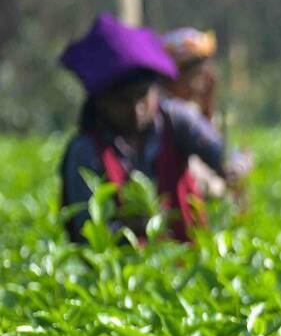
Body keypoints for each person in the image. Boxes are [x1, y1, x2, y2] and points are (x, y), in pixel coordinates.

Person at [58, 13, 231, 243]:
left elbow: (223, 155)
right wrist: (134, 228)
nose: (136, 110)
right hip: (122, 273)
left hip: (188, 263)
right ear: (101, 103)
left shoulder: (176, 120)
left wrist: (231, 167)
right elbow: (87, 233)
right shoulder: (85, 151)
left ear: (155, 92)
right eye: (123, 101)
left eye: (142, 97)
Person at [161, 27, 253, 199]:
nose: (200, 85)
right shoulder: (168, 117)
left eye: (203, 77)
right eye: (193, 77)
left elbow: (222, 151)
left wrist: (209, 106)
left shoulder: (199, 111)